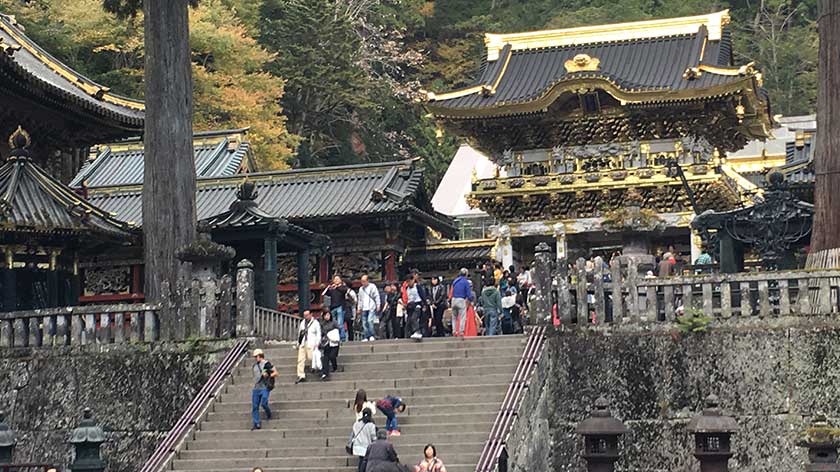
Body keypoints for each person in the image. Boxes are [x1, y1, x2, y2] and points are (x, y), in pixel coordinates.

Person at [250, 348, 277, 430]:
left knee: (264, 402)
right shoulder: (254, 366)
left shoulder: (266, 364)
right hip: (256, 387)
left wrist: (268, 375)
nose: (255, 358)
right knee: (255, 406)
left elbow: (275, 373)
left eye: (256, 356)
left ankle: (268, 413)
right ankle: (256, 422)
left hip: (264, 386)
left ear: (260, 356)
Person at [296, 310, 321, 384]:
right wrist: (298, 343)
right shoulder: (302, 323)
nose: (306, 317)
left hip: (311, 342)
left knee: (311, 357)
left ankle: (314, 367)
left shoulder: (315, 323)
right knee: (300, 360)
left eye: (307, 315)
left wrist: (317, 342)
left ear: (311, 314)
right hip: (303, 342)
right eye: (305, 315)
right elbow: (300, 333)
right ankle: (301, 375)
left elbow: (318, 333)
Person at [322, 276, 350, 341]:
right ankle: (335, 336)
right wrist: (329, 287)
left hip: (340, 306)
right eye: (335, 279)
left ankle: (342, 337)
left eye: (338, 279)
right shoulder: (332, 289)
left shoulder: (343, 287)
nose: (336, 280)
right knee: (333, 323)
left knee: (340, 323)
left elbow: (345, 291)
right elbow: (324, 293)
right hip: (333, 307)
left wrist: (337, 287)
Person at [448, 268, 473, 337]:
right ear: (466, 274)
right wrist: (471, 299)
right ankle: (461, 331)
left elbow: (451, 291)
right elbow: (468, 293)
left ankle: (454, 331)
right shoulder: (465, 282)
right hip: (461, 299)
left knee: (454, 317)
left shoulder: (455, 281)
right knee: (462, 316)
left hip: (453, 299)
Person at [401, 274, 427, 340]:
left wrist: (424, 305)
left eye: (409, 281)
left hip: (417, 305)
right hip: (410, 306)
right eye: (407, 282)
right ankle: (407, 335)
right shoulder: (407, 288)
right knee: (408, 322)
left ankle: (417, 331)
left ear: (413, 280)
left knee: (414, 318)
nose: (409, 283)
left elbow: (423, 296)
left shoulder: (417, 287)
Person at [351, 408, 377, 472]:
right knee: (364, 461)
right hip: (366, 446)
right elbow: (373, 436)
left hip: (357, 445)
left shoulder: (356, 424)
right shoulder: (371, 425)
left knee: (361, 459)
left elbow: (353, 433)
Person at [357, 274, 381, 341]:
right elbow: (360, 299)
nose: (363, 283)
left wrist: (378, 305)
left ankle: (372, 335)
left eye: (364, 281)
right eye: (362, 281)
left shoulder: (372, 287)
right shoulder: (361, 289)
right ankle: (366, 336)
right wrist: (359, 308)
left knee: (370, 321)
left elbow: (376, 296)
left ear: (367, 281)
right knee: (364, 323)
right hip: (364, 307)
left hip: (371, 307)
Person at [320, 310, 341, 380]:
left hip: (334, 342)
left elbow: (338, 328)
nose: (327, 317)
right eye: (325, 315)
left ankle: (335, 367)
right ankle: (325, 372)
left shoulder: (334, 322)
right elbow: (322, 332)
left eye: (328, 315)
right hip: (327, 341)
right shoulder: (322, 324)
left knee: (332, 356)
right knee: (326, 357)